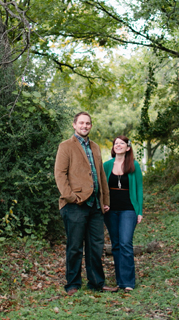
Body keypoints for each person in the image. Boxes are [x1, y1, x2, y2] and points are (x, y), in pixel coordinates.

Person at [54, 112, 118, 295]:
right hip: (75, 205)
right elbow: (60, 175)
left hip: (95, 206)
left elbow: (101, 176)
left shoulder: (95, 147)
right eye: (81, 123)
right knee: (74, 246)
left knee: (96, 246)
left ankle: (97, 283)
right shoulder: (66, 146)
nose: (85, 126)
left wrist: (105, 200)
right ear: (74, 125)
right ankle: (73, 284)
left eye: (88, 123)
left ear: (91, 125)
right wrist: (71, 197)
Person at [103, 135, 143, 291]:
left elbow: (139, 188)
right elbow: (102, 188)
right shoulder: (106, 165)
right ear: (113, 148)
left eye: (122, 143)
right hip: (110, 210)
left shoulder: (134, 165)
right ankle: (120, 280)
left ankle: (128, 282)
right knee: (116, 245)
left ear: (128, 147)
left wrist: (139, 211)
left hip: (129, 209)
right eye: (116, 143)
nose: (118, 145)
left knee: (126, 243)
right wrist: (103, 204)